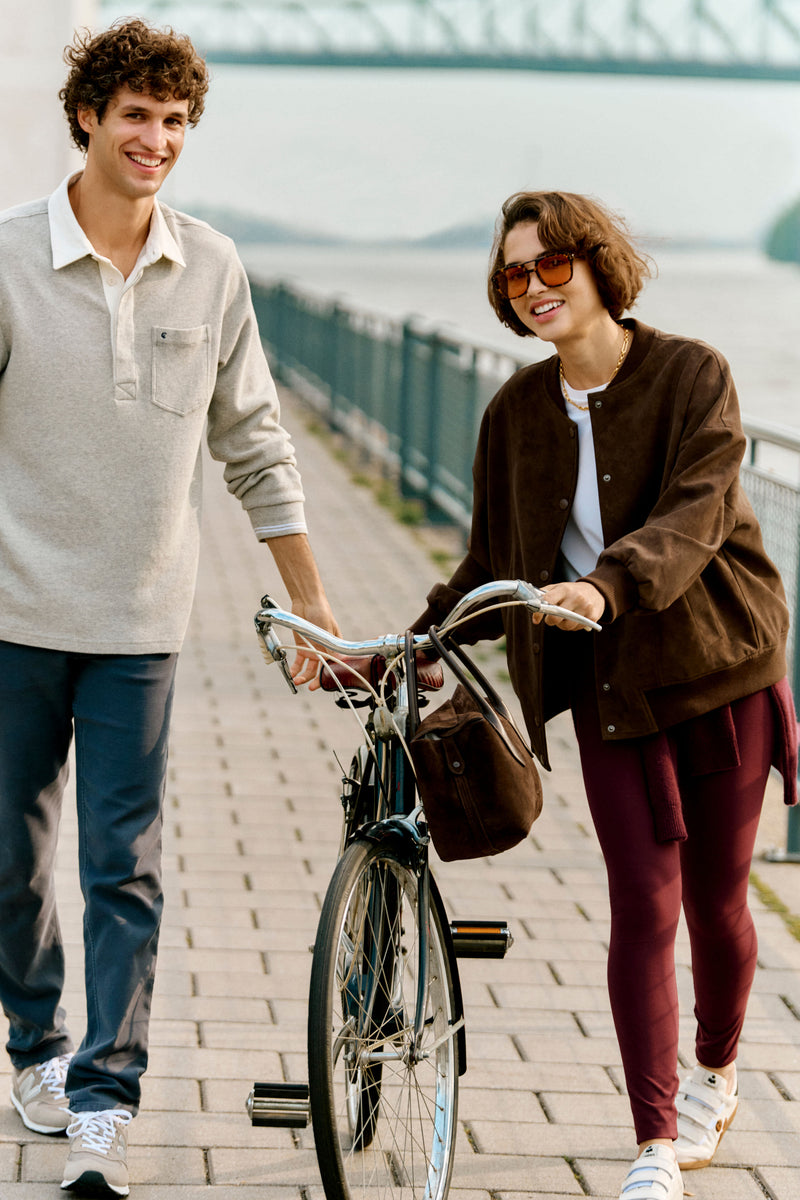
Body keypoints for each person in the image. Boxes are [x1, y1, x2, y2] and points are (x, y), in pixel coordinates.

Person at [0, 18, 338, 1198]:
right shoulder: (8, 259)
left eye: (176, 120)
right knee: (8, 864)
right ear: (87, 118)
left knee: (122, 867)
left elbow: (256, 441)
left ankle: (105, 1100)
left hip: (141, 623)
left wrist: (307, 602)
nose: (157, 138)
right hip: (12, 617)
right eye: (137, 115)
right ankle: (36, 1044)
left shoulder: (213, 265)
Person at [411, 190, 798, 1200]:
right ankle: (654, 1142)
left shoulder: (692, 375)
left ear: (596, 266)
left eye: (552, 265)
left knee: (717, 901)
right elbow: (491, 558)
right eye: (514, 273)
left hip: (719, 672)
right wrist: (419, 640)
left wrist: (602, 585)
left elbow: (695, 515)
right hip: (611, 689)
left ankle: (716, 1072)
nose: (533, 287)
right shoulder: (513, 412)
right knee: (642, 904)